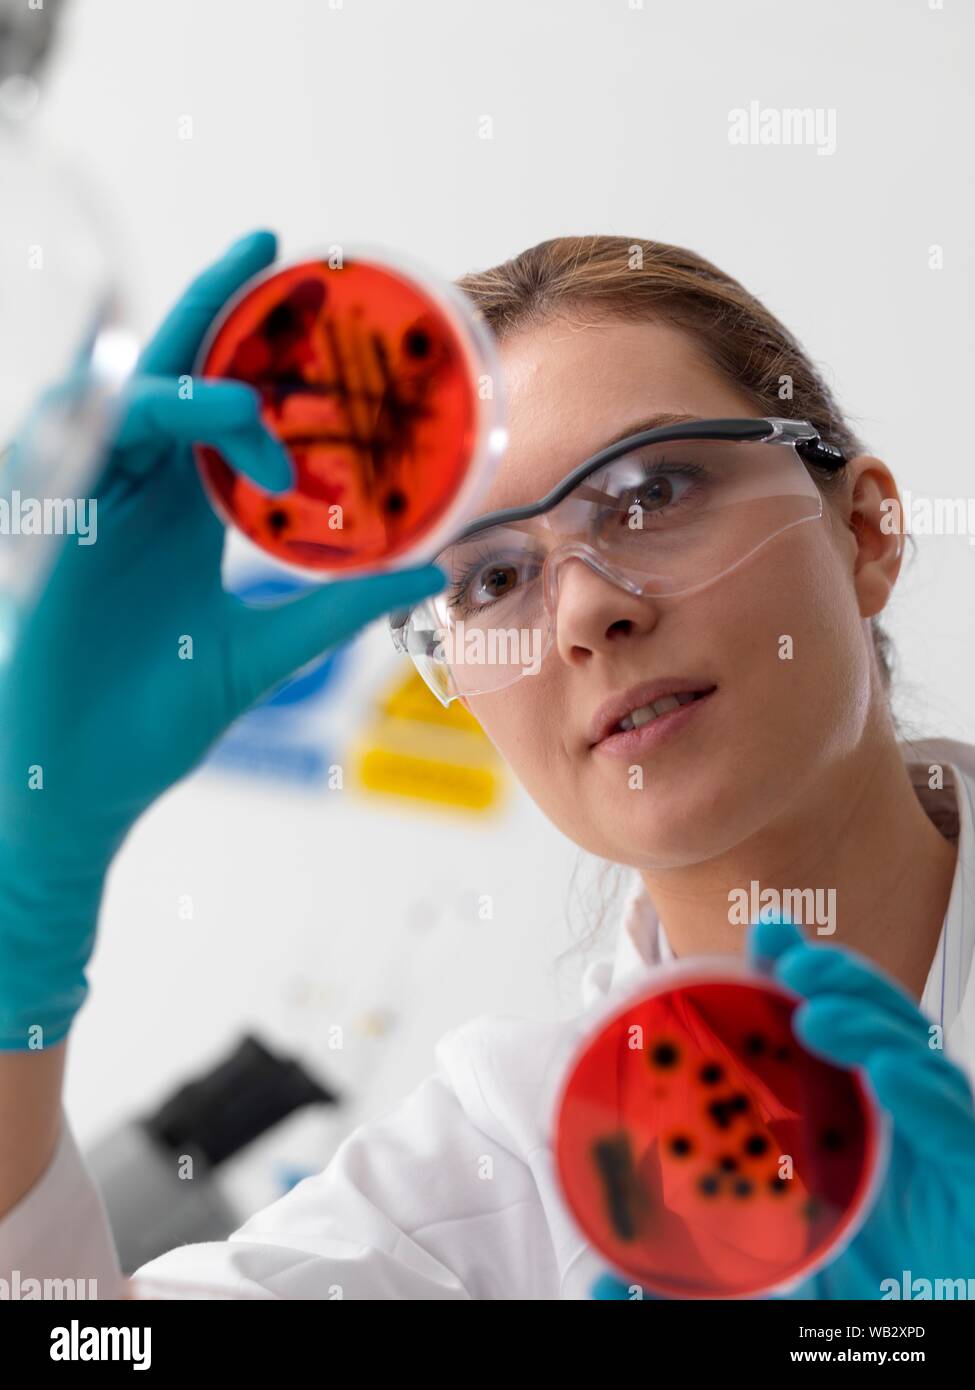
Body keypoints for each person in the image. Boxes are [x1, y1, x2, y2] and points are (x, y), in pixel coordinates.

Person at [1, 230, 974, 1301]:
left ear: (869, 530)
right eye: (493, 577)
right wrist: (16, 914)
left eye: (653, 492)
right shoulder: (492, 1178)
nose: (587, 611)